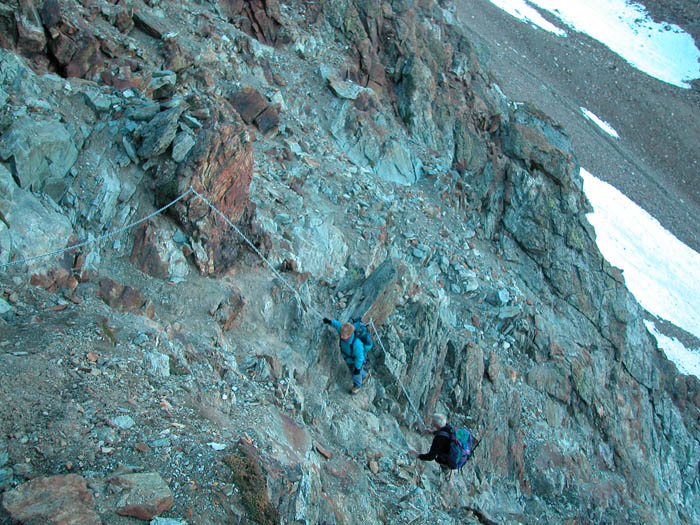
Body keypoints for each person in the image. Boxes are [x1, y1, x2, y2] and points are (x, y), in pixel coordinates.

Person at [323, 317, 371, 394]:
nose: (341, 336)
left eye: (343, 336)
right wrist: (329, 321)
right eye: (341, 334)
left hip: (355, 361)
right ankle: (365, 375)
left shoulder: (357, 344)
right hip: (349, 358)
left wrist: (357, 368)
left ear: (349, 335)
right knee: (355, 370)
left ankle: (357, 386)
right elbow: (337, 325)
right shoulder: (343, 331)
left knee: (355, 373)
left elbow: (360, 358)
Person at [409, 413, 455, 478]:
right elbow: (445, 434)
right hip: (454, 451)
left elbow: (431, 457)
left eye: (433, 421)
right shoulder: (449, 427)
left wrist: (418, 455)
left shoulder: (438, 439)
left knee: (438, 458)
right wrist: (433, 432)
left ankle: (446, 469)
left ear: (436, 424)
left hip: (449, 458)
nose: (432, 422)